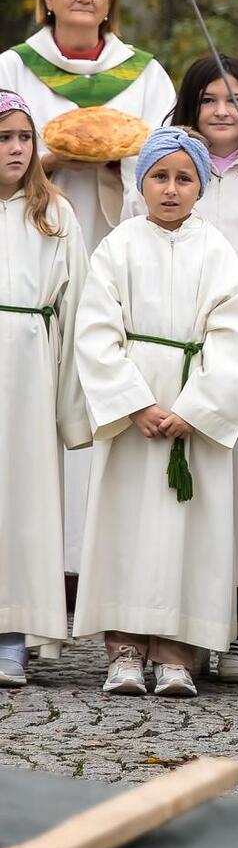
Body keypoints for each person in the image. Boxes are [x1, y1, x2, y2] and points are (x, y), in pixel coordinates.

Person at [125, 55, 238, 683]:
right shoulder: (167, 165)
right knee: (189, 477)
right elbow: (134, 238)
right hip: (178, 330)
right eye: (208, 99)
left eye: (235, 99)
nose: (222, 111)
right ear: (189, 105)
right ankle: (179, 622)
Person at [0, 0, 177, 578]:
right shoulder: (13, 68)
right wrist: (46, 161)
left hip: (116, 240)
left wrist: (113, 163)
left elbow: (165, 158)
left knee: (106, 381)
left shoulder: (145, 76)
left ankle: (99, 562)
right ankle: (44, 563)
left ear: (110, 3)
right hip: (30, 251)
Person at [71, 126, 238, 697]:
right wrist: (135, 404)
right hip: (136, 420)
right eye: (159, 176)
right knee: (126, 526)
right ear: (141, 183)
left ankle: (177, 651)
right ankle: (125, 648)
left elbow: (234, 336)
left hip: (190, 418)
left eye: (184, 178)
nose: (171, 189)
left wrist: (195, 408)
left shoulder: (218, 253)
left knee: (188, 532)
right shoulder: (118, 247)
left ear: (201, 186)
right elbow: (96, 330)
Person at [0, 90, 89, 687]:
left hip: (31, 368)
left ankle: (15, 631)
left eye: (24, 138)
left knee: (25, 500)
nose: (16, 149)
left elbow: (76, 306)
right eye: (4, 138)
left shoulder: (53, 214)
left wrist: (70, 404)